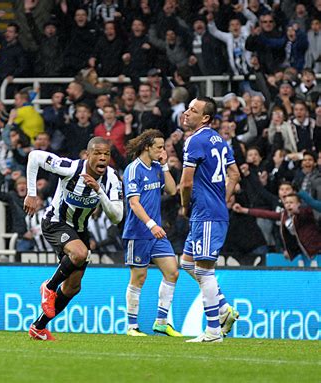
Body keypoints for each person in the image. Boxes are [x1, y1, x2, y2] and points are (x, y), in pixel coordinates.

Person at [24, 137, 123, 341]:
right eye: (98, 153)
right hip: (55, 222)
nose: (102, 158)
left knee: (72, 287)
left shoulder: (112, 178)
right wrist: (31, 194)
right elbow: (34, 156)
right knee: (79, 253)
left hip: (79, 229)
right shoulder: (69, 168)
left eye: (106, 154)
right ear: (88, 155)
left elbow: (117, 216)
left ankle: (38, 327)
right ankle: (49, 287)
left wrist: (99, 191)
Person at [180, 97, 241, 342]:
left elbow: (186, 182)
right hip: (211, 212)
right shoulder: (221, 140)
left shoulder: (194, 140)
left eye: (193, 110)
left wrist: (185, 206)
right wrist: (222, 197)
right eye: (188, 108)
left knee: (205, 272)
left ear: (205, 118)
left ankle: (213, 331)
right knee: (187, 262)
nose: (186, 112)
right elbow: (235, 174)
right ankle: (224, 309)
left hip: (205, 214)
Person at [122, 129, 181, 337]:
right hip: (138, 232)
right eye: (159, 147)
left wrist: (165, 166)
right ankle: (132, 327)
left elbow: (173, 190)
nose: (162, 151)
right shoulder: (133, 170)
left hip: (156, 232)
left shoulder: (157, 168)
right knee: (139, 277)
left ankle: (162, 322)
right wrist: (151, 225)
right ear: (147, 147)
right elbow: (134, 203)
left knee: (172, 272)